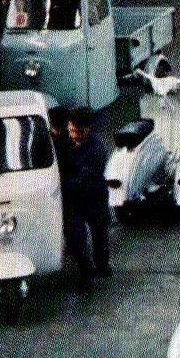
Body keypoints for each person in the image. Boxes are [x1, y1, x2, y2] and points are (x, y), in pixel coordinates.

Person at [62, 107, 111, 290]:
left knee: (100, 235)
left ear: (88, 128)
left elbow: (83, 180)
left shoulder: (97, 149)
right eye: (72, 130)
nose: (74, 135)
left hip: (93, 197)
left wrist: (61, 183)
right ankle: (87, 272)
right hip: (75, 201)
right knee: (75, 237)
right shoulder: (65, 143)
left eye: (79, 131)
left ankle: (101, 265)